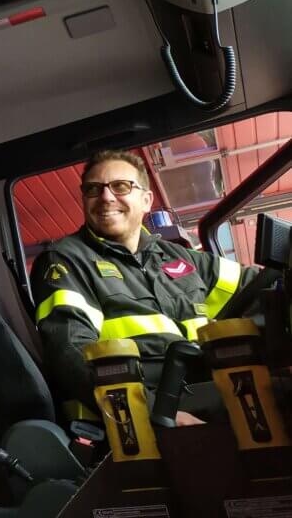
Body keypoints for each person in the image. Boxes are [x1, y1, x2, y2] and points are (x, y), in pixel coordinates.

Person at [31, 149, 259, 425]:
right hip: (144, 409)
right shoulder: (67, 259)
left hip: (208, 382)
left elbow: (256, 288)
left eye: (120, 186)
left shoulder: (177, 256)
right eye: (93, 189)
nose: (106, 197)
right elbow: (70, 353)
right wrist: (151, 413)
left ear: (146, 200)